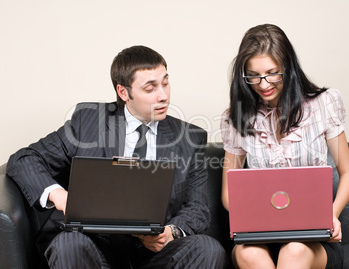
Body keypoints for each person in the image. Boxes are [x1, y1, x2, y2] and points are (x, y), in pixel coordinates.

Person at [7, 45, 226, 269]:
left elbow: (197, 207)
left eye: (165, 83)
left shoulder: (190, 138)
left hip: (153, 255)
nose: (163, 96)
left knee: (207, 248)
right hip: (91, 245)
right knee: (67, 244)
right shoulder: (88, 123)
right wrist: (59, 195)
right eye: (150, 88)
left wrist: (170, 233)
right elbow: (25, 159)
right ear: (123, 92)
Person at [220, 24, 349, 268]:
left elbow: (347, 174)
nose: (263, 85)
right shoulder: (236, 117)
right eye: (254, 75)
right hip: (258, 236)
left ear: (288, 68)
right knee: (248, 254)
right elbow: (228, 194)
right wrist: (256, 216)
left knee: (293, 251)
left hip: (311, 239)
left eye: (273, 73)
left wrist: (331, 215)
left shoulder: (324, 104)